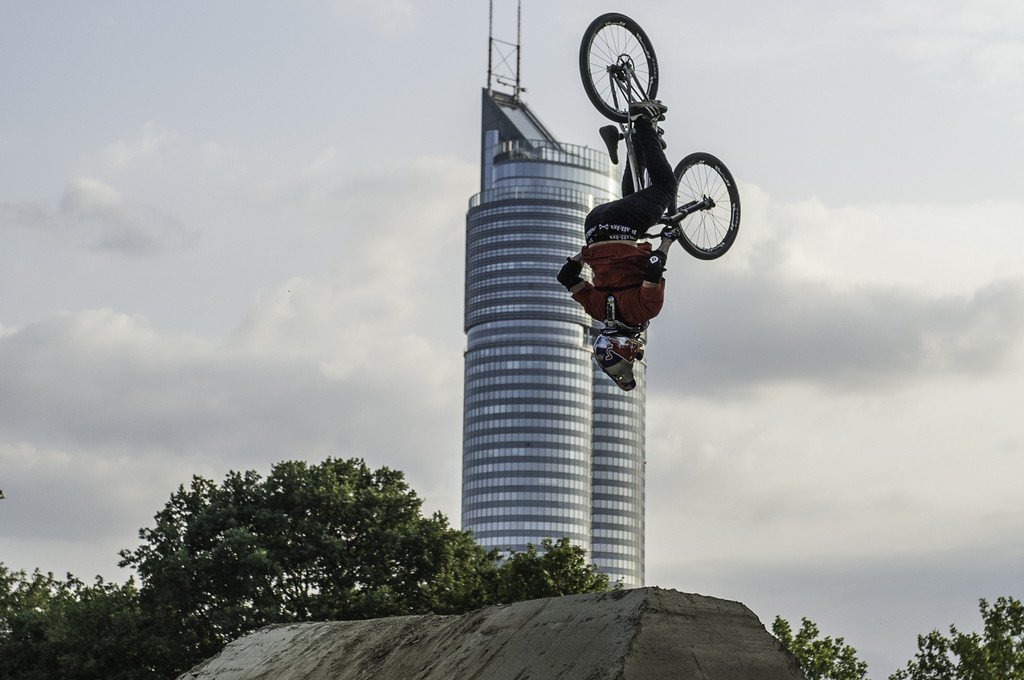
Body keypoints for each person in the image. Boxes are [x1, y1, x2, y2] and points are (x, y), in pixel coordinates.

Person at [556, 100, 680, 391]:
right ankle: (634, 142)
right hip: (594, 224)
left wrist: (667, 240)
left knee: (665, 186)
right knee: (635, 198)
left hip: (624, 222)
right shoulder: (597, 310)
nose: (637, 353)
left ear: (623, 346)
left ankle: (643, 122)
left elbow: (653, 267)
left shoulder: (642, 311)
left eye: (631, 356)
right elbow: (566, 276)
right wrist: (589, 251)